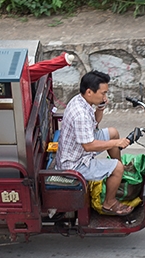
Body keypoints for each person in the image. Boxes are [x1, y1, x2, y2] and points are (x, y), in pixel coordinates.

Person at [56, 70, 133, 216]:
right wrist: (116, 143)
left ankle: (115, 177)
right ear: (90, 92)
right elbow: (89, 146)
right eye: (103, 93)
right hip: (74, 164)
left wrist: (101, 107)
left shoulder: (82, 100)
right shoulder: (80, 114)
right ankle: (109, 203)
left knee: (113, 132)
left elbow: (94, 123)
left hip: (81, 148)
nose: (105, 96)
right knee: (117, 165)